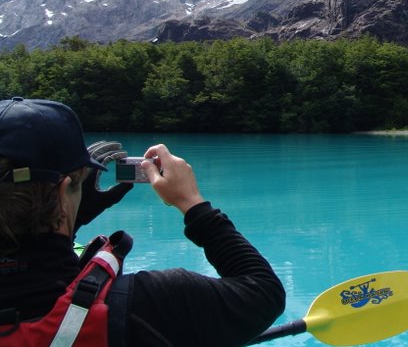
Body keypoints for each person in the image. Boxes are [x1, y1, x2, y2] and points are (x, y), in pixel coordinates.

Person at [0, 96, 285, 346]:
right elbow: (264, 293)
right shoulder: (150, 306)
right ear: (63, 193)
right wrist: (192, 203)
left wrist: (66, 217)